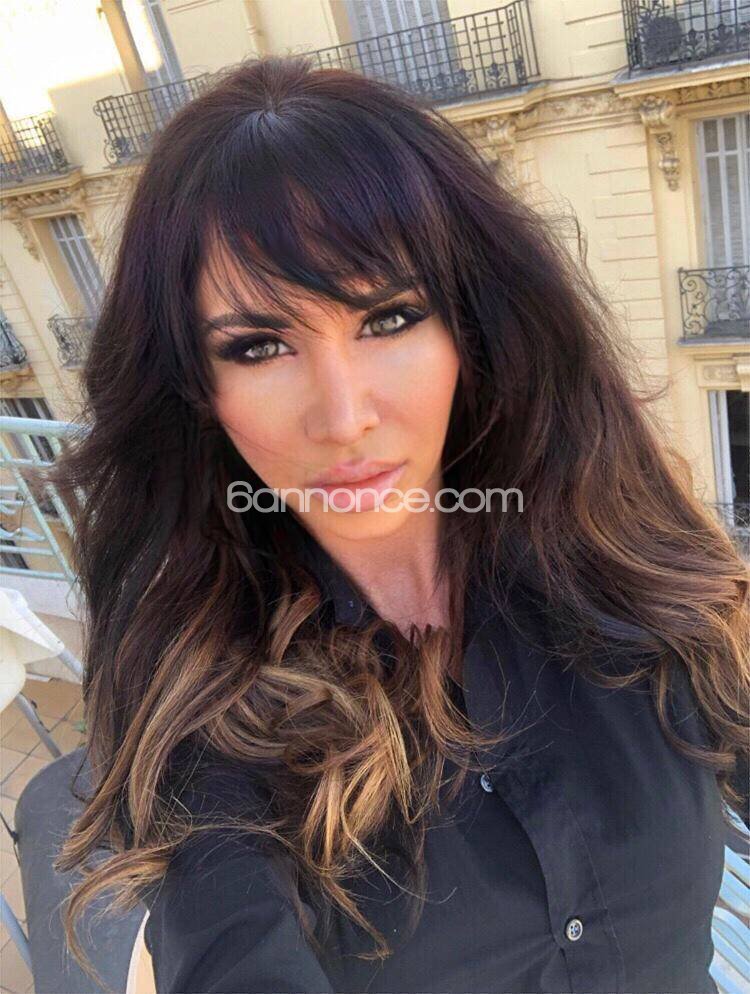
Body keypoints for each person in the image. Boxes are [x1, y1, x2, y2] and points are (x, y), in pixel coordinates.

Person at [47, 55, 748, 994]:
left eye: (388, 318)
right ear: (197, 390)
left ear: (473, 328)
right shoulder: (205, 694)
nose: (344, 418)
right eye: (260, 346)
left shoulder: (624, 559)